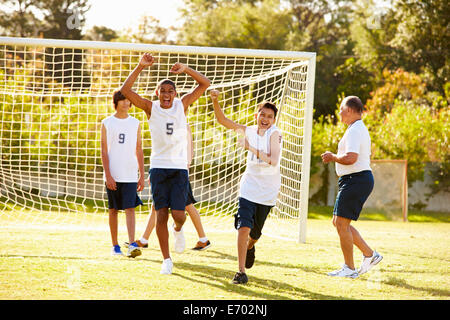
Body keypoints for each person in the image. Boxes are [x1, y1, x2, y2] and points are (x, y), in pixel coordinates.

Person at [120, 53, 210, 274]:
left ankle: (178, 229)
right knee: (160, 213)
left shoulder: (183, 104)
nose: (167, 94)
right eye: (163, 91)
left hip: (179, 169)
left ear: (176, 94)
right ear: (157, 93)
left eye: (171, 91)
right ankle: (166, 260)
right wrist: (140, 66)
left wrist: (186, 69)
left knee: (179, 215)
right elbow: (125, 91)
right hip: (159, 168)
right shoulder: (151, 108)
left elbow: (205, 83)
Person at [210, 89, 282, 284]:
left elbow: (273, 160)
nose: (265, 119)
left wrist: (250, 147)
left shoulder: (275, 134)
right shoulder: (248, 130)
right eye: (263, 115)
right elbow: (223, 121)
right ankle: (241, 272)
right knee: (243, 227)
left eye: (270, 116)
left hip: (267, 192)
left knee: (255, 234)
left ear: (273, 120)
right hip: (248, 188)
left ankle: (251, 246)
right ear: (256, 115)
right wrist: (215, 100)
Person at [321, 95, 383, 278]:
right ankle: (370, 255)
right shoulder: (355, 128)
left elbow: (351, 158)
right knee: (339, 222)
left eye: (341, 109)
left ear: (348, 110)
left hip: (356, 179)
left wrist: (332, 157)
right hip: (354, 180)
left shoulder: (355, 130)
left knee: (341, 223)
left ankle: (349, 268)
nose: (339, 113)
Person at [124, 124, 211, 251]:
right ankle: (144, 239)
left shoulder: (183, 125)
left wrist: (185, 169)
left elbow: (189, 150)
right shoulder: (164, 123)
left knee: (187, 206)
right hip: (164, 172)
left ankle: (202, 238)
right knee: (157, 206)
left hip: (179, 174)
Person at [100, 90, 145, 258]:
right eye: (123, 100)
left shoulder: (135, 123)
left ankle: (132, 243)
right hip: (113, 173)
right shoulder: (107, 122)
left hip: (130, 173)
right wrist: (108, 175)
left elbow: (138, 149)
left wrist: (141, 173)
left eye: (128, 100)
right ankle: (115, 245)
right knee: (113, 210)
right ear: (116, 102)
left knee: (130, 208)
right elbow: (104, 151)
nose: (126, 103)